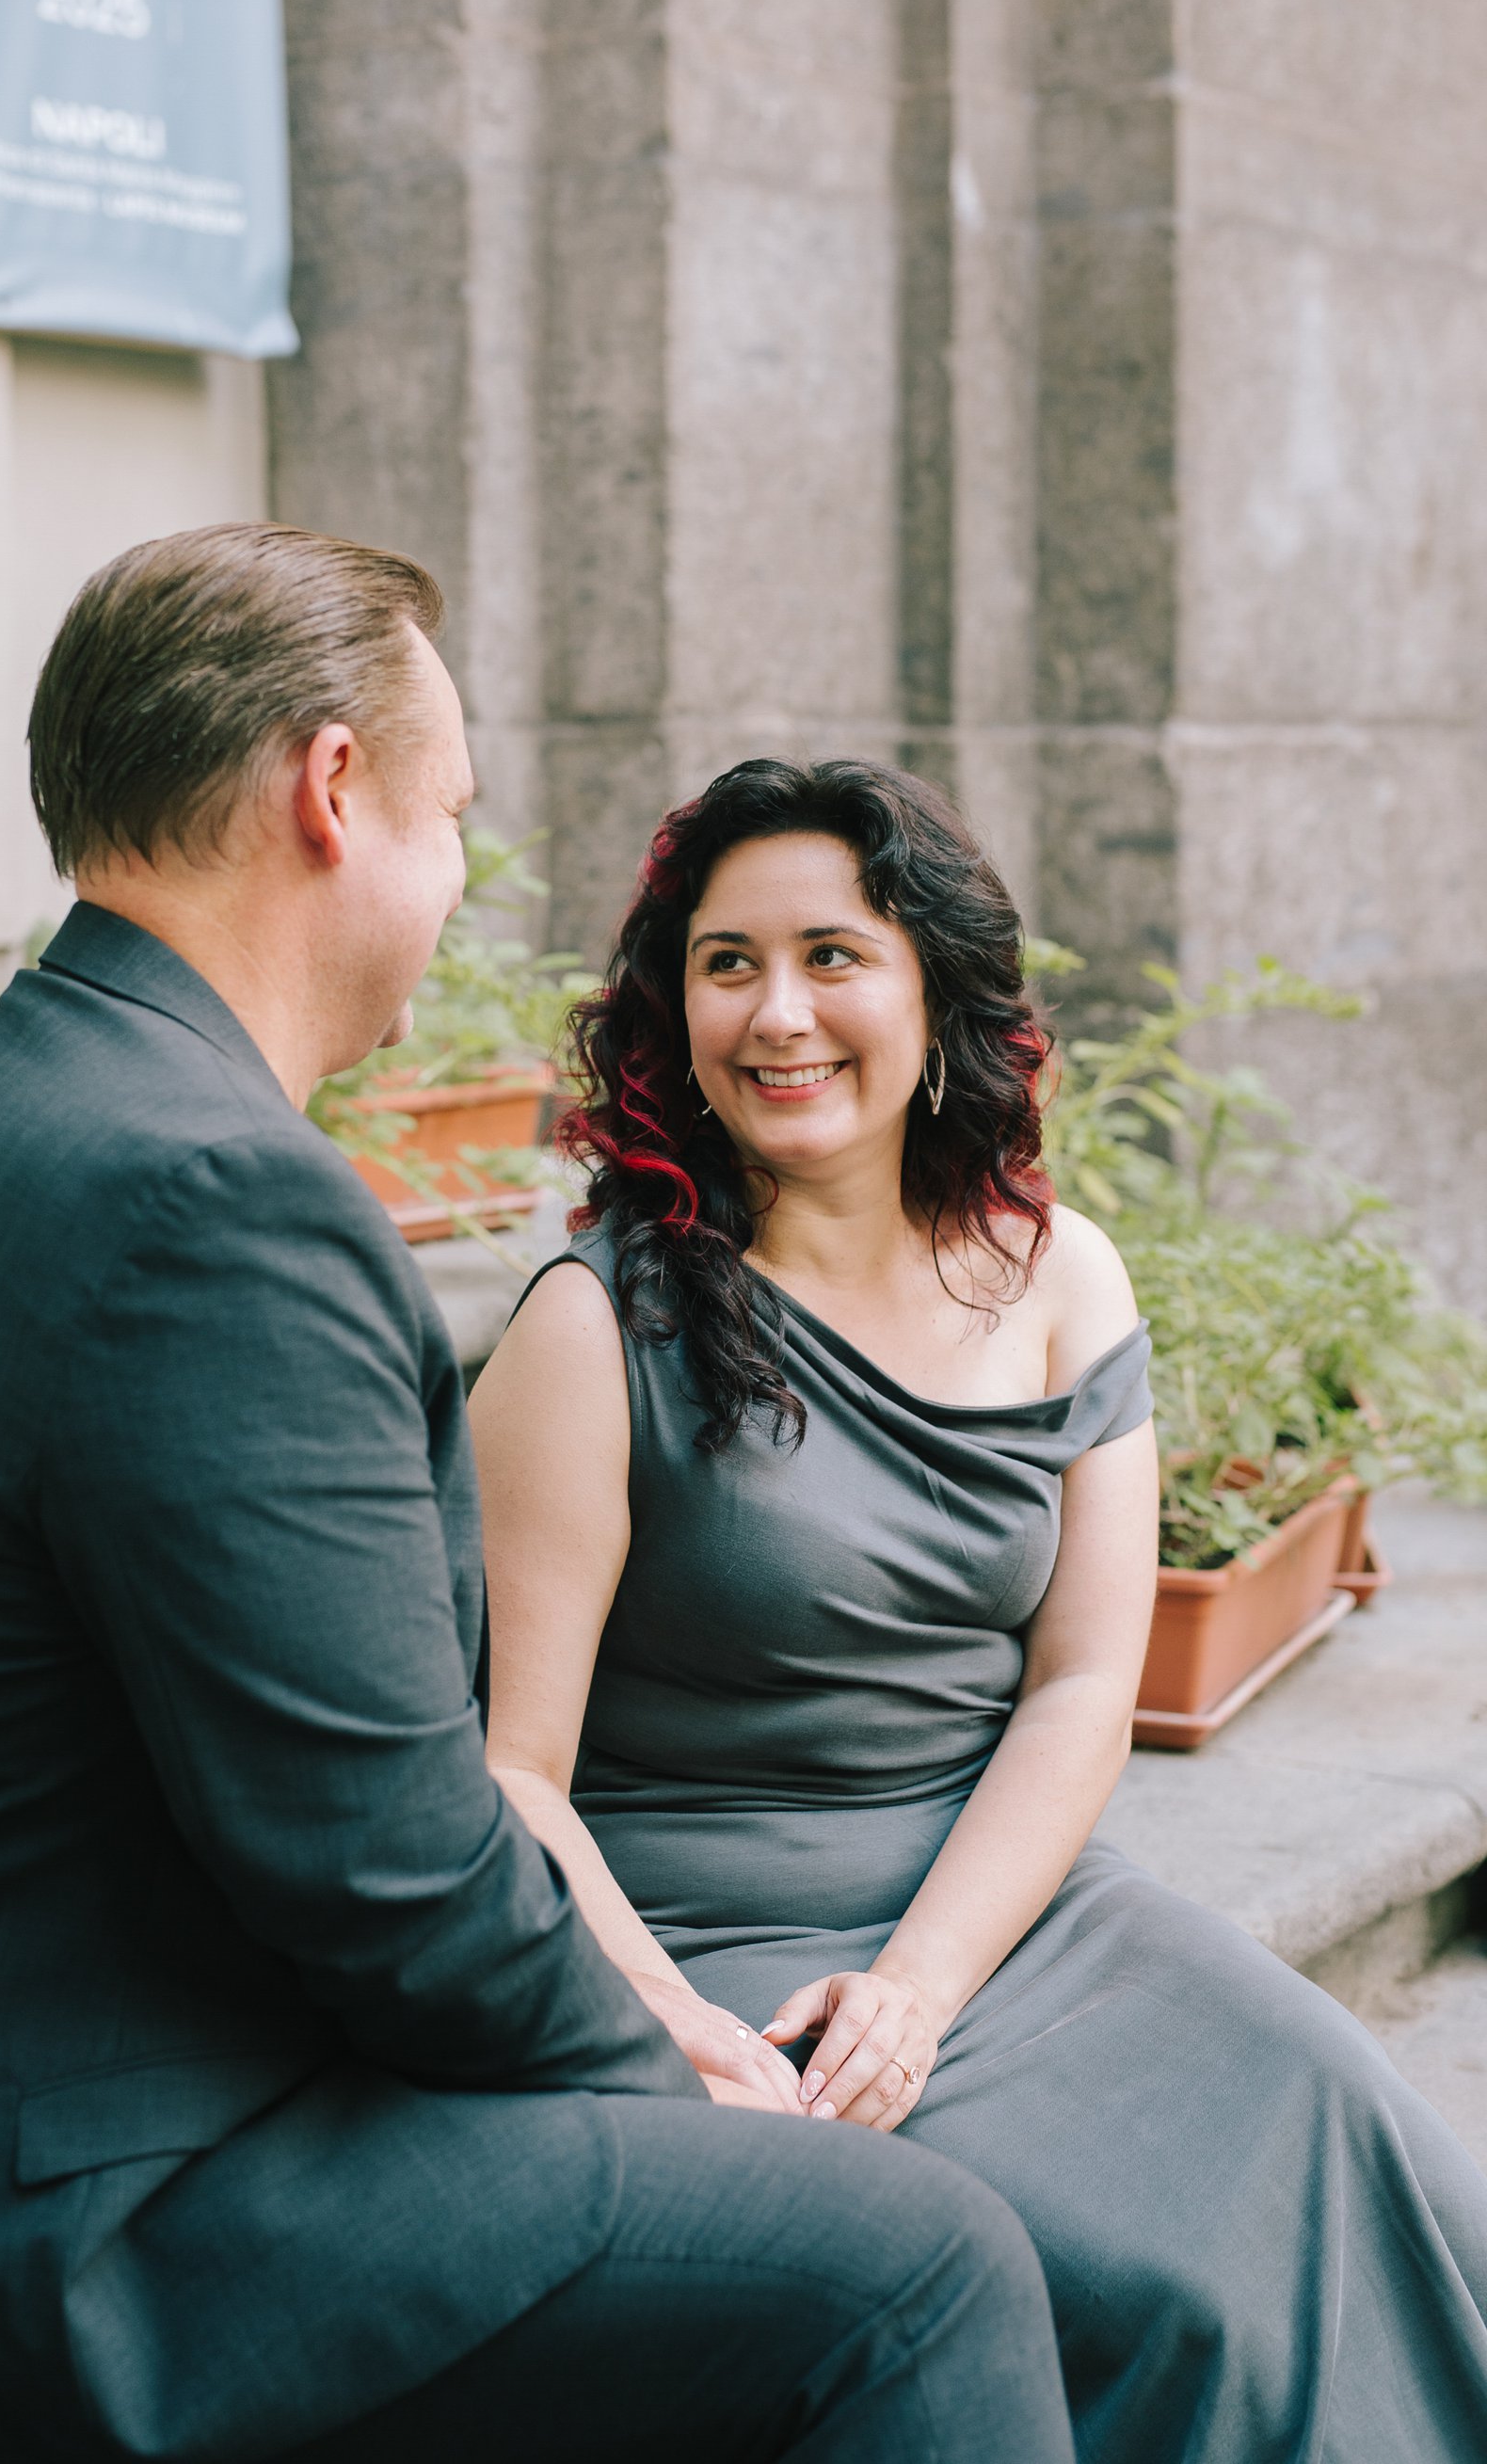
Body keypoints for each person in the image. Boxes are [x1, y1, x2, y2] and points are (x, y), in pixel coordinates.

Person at [0, 531, 1075, 2464]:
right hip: (56, 2213)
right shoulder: (216, 1199)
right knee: (913, 2265)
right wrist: (666, 2078)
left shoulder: (52, 1086)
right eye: (456, 820)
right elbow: (386, 1874)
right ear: (333, 791)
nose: (458, 881)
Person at [472, 755, 1487, 2464]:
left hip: (1009, 1911)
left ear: (935, 993)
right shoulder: (593, 1329)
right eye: (726, 964)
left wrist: (924, 1985)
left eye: (833, 955)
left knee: (1354, 2130)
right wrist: (670, 2028)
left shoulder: (1062, 1275)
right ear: (674, 1010)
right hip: (726, 1947)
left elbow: (1085, 1684)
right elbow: (512, 1775)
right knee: (1150, 2286)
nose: (778, 1013)